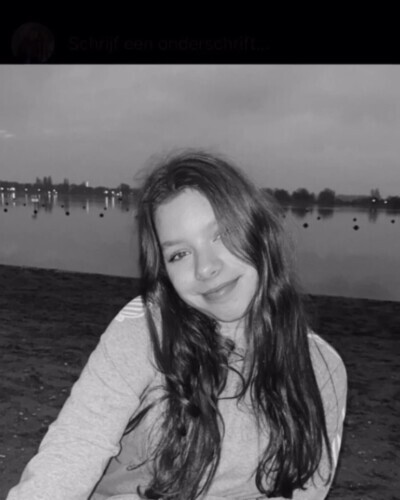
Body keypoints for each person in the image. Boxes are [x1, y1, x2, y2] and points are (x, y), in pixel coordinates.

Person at [7, 150, 347, 500]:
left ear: (260, 231)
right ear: (164, 270)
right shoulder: (145, 331)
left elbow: (306, 489)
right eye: (179, 254)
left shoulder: (322, 368)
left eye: (221, 234)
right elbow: (74, 448)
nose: (205, 268)